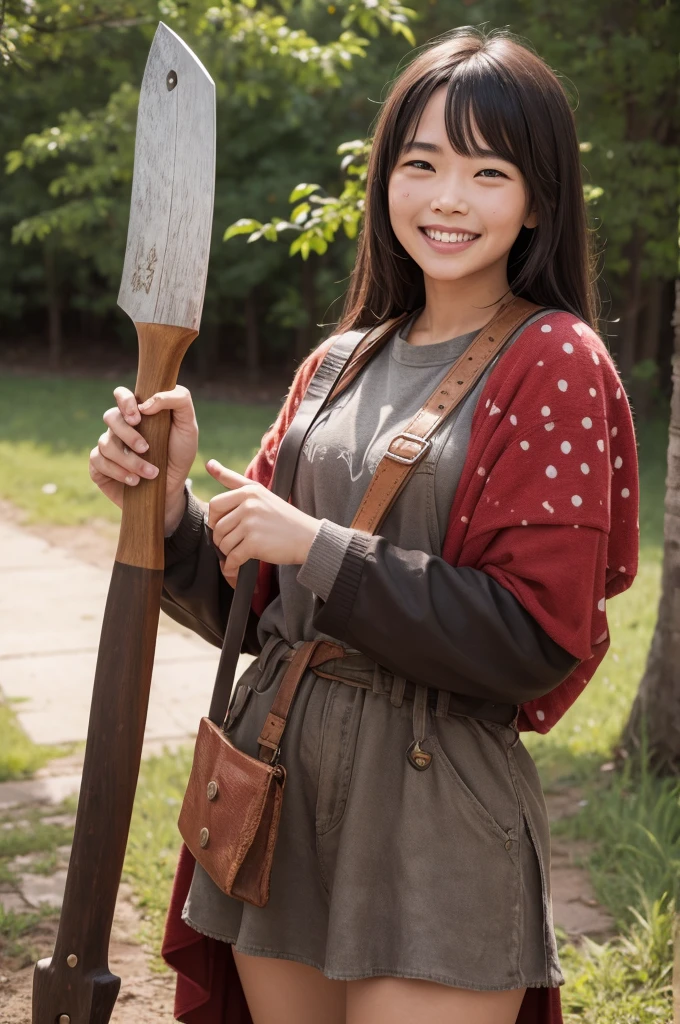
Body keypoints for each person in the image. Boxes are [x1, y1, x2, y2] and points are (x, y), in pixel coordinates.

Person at [89, 25, 639, 1024]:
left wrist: (317, 543)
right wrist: (170, 508)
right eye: (420, 164)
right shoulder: (338, 361)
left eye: (486, 172)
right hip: (276, 788)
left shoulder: (553, 360)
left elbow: (530, 639)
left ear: (536, 201)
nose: (445, 199)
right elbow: (257, 610)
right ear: (384, 178)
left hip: (436, 806)